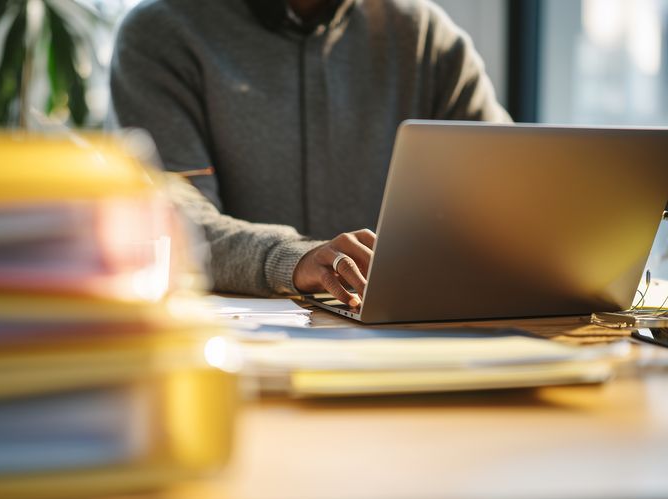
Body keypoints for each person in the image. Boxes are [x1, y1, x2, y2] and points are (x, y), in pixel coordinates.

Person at [110, 0, 510, 306]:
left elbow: (514, 188)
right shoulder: (162, 32)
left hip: (413, 336)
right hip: (242, 352)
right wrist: (292, 259)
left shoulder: (423, 34)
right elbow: (171, 221)